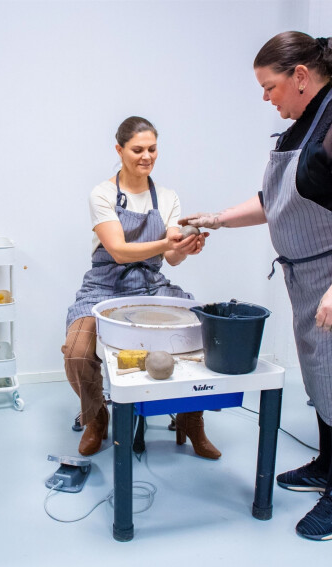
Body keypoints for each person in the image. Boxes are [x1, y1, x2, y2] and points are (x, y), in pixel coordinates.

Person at [180, 32, 332, 540]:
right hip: (306, 274)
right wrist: (213, 219)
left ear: (301, 76)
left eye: (269, 86)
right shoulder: (303, 125)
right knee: (323, 378)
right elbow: (273, 200)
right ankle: (326, 466)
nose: (265, 98)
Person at [62, 116, 221, 459]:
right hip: (105, 286)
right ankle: (96, 417)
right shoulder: (102, 193)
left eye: (152, 149)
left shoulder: (166, 197)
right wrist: (166, 244)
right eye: (137, 149)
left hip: (151, 284)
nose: (146, 156)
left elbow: (172, 260)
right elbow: (118, 251)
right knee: (76, 352)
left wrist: (184, 248)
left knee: (203, 331)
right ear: (119, 150)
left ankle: (191, 421)